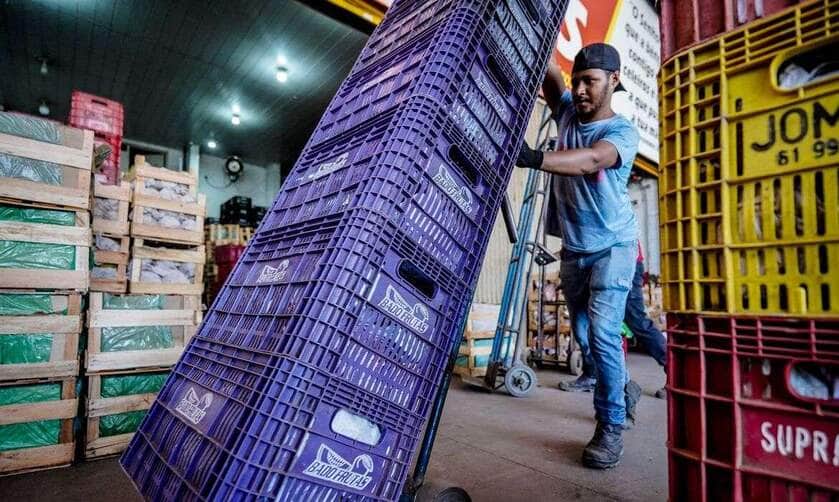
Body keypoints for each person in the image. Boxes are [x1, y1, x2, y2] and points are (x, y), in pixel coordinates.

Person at [516, 43, 639, 469]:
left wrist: (534, 158)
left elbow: (591, 161)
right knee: (584, 335)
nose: (581, 90)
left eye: (591, 81)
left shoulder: (621, 132)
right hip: (575, 248)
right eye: (578, 81)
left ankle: (610, 427)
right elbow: (550, 73)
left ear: (614, 81)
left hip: (614, 247)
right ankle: (622, 386)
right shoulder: (567, 109)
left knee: (604, 335)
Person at [560, 241, 668, 399]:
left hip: (622, 261)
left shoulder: (616, 220)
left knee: (636, 321)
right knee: (580, 321)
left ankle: (674, 371)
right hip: (591, 265)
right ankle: (592, 374)